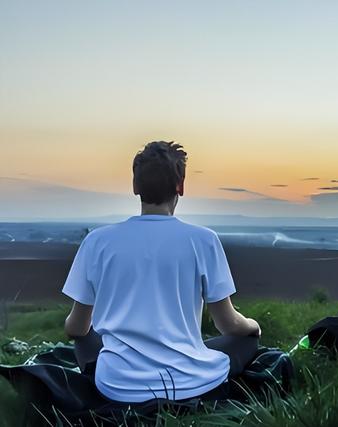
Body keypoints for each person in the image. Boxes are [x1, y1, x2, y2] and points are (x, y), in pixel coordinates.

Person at [61, 141, 261, 403]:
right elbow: (227, 325)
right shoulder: (203, 240)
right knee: (246, 341)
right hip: (189, 383)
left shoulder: (97, 241)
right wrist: (253, 326)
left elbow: (76, 328)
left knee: (85, 337)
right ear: (181, 186)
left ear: (135, 187)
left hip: (117, 386)